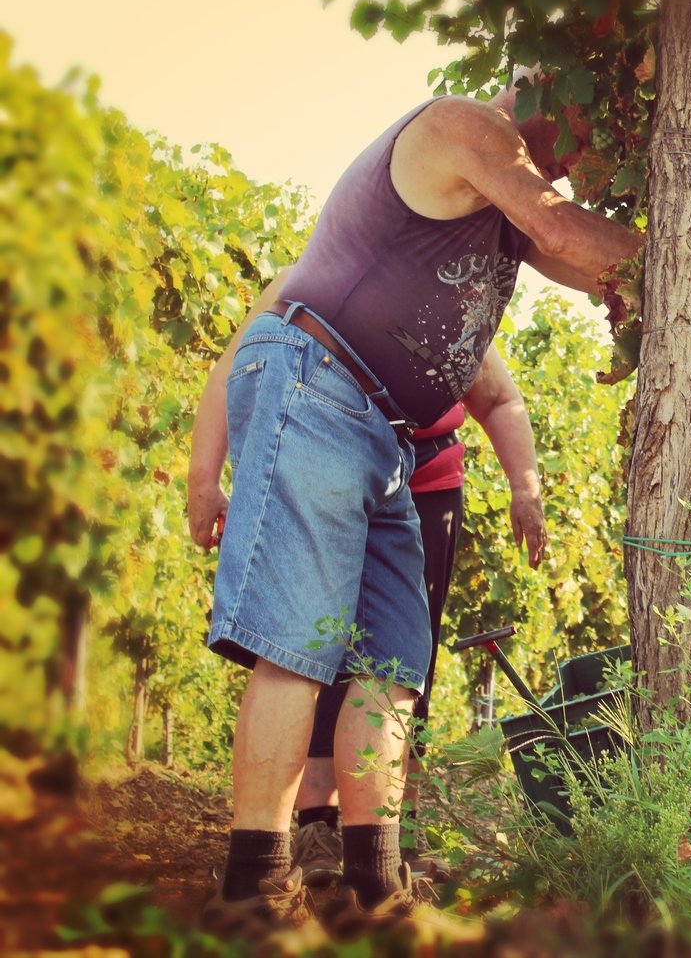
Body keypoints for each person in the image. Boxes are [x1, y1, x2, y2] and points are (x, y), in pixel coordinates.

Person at [185, 85, 642, 940]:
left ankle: (375, 875)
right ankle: (253, 883)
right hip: (318, 389)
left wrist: (639, 285)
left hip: (390, 442)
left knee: (393, 664)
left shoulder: (504, 202)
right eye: (580, 143)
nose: (579, 167)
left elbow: (580, 262)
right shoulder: (461, 127)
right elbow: (568, 233)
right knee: (298, 644)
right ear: (546, 90)